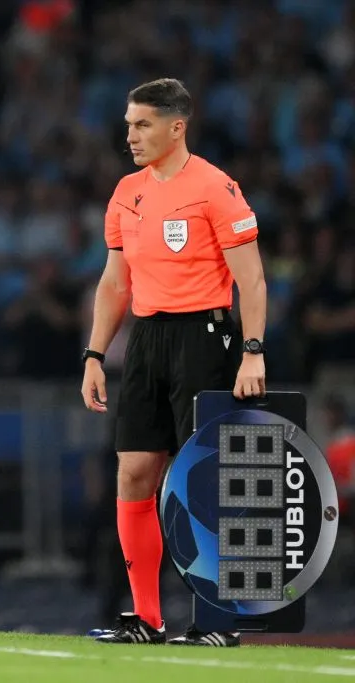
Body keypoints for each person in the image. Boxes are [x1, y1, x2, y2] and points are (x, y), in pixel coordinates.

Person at [80, 78, 267, 647]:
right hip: (145, 340)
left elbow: (251, 278)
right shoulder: (126, 192)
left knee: (204, 480)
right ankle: (146, 618)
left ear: (176, 126)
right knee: (134, 472)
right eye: (128, 125)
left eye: (142, 125)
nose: (130, 135)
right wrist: (93, 353)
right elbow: (115, 281)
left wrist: (253, 350)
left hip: (205, 337)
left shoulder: (215, 188)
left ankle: (217, 617)